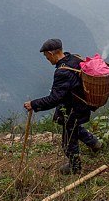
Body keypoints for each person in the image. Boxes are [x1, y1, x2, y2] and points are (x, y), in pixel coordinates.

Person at [24, 38, 102, 174]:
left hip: (73, 110)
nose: (47, 59)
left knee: (68, 141)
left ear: (51, 53)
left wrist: (33, 104)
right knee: (74, 128)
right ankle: (94, 143)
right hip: (82, 105)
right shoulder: (74, 58)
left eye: (46, 56)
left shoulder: (62, 72)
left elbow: (54, 99)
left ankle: (75, 167)